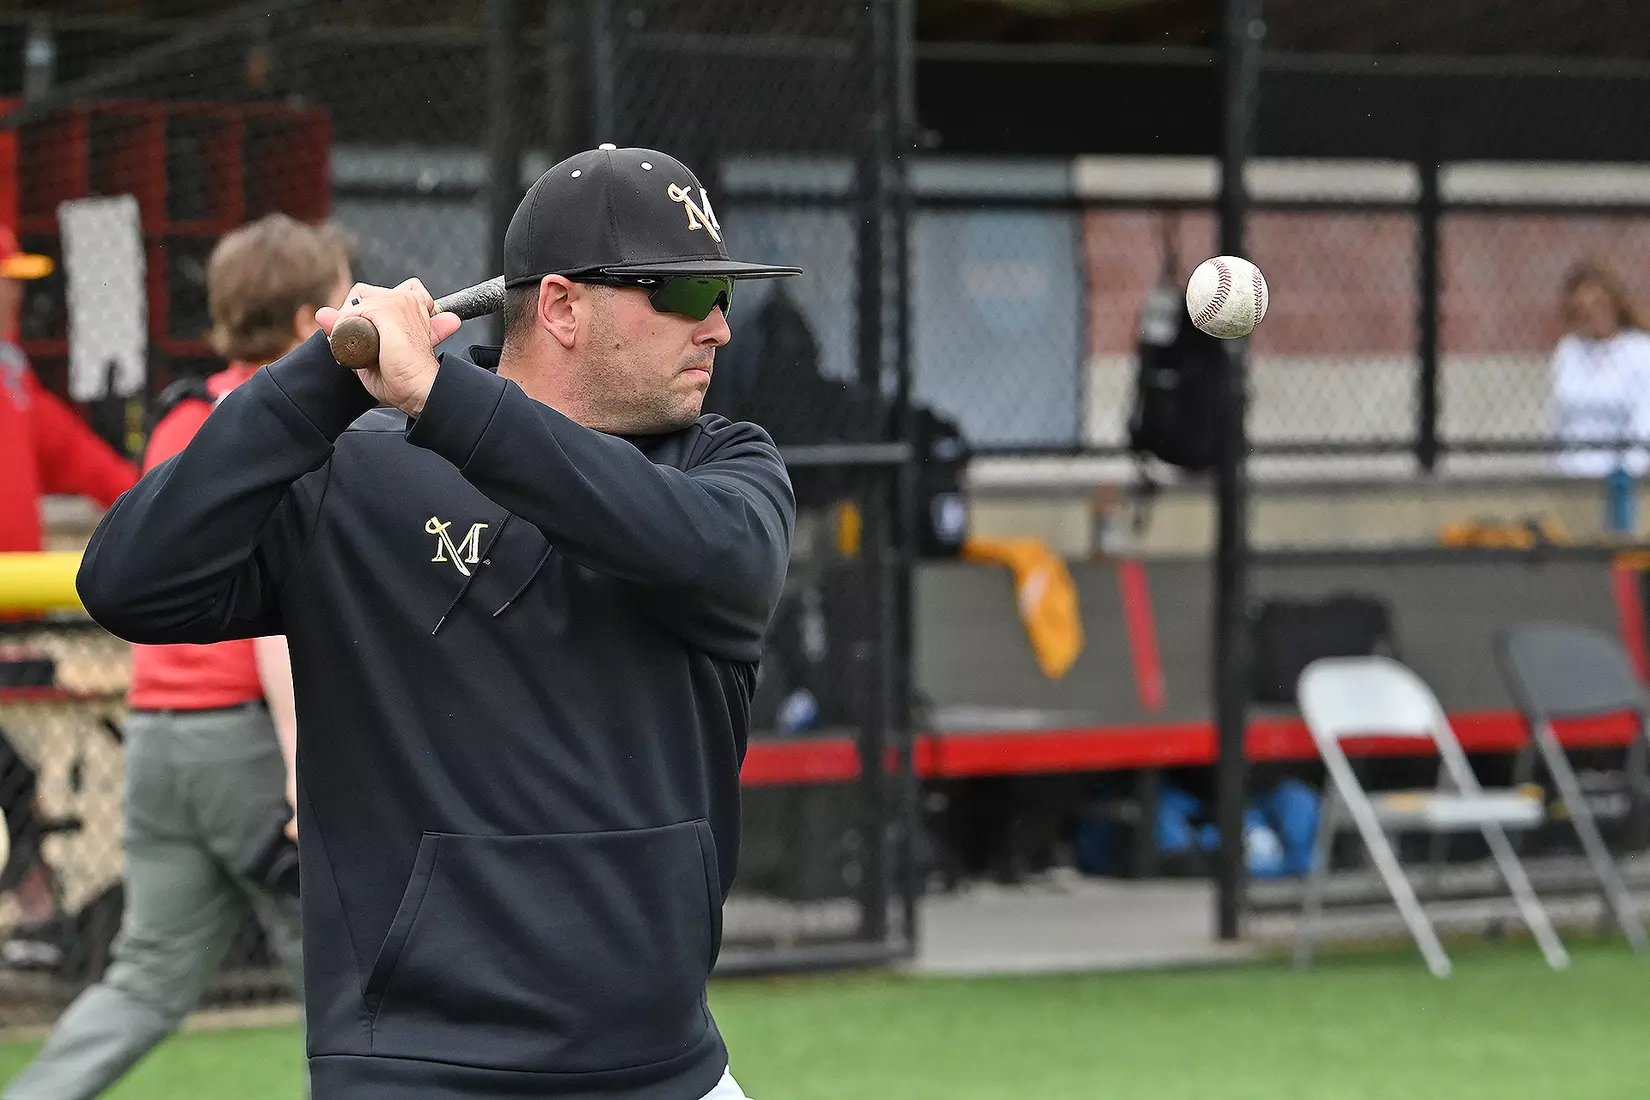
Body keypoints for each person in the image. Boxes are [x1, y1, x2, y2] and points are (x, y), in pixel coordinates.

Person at [71, 146, 799, 1100]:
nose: (717, 328)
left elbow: (717, 560)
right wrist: (320, 381)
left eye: (725, 293)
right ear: (562, 306)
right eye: (686, 290)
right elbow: (128, 583)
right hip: (416, 1075)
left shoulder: (726, 465)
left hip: (668, 1071)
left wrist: (445, 398)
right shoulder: (354, 473)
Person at [4, 214, 353, 1100]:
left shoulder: (183, 415)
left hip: (158, 738)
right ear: (316, 312)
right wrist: (303, 770)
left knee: (146, 980)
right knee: (346, 967)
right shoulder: (293, 421)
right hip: (244, 741)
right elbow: (279, 622)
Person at [0, 224, 139, 971]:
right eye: (7, 277)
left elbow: (90, 464)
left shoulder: (13, 380)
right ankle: (36, 907)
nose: (16, 291)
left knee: (25, 777)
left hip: (18, 634)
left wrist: (170, 499)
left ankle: (37, 914)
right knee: (16, 779)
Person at [1549, 259, 1650, 478]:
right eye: (1582, 310)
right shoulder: (1569, 351)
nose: (1593, 316)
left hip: (1618, 481)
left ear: (1615, 303)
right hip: (1569, 477)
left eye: (1598, 305)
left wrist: (1627, 476)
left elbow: (1644, 422)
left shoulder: (1640, 351)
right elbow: (1559, 421)